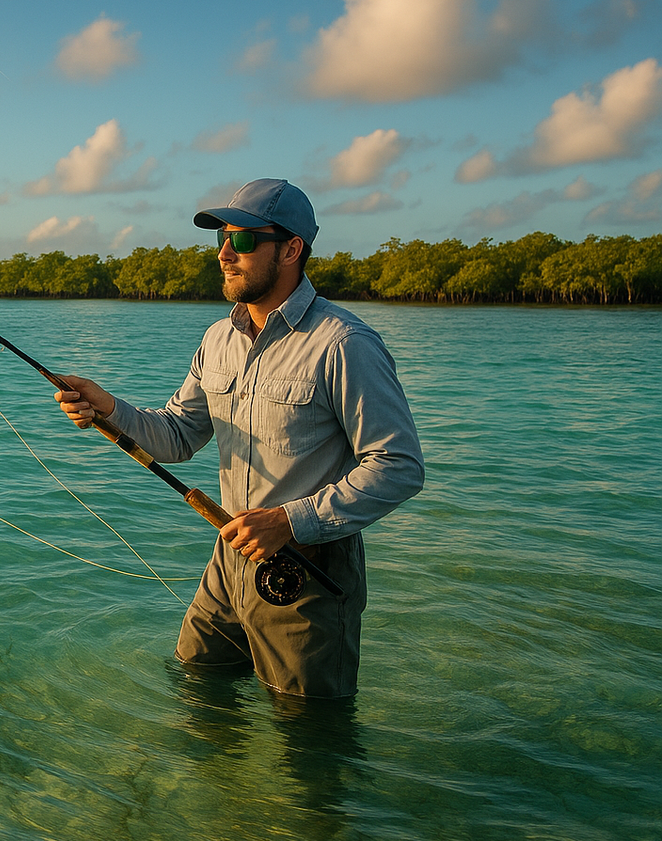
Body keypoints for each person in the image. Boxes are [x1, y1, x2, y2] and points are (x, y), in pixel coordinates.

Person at [55, 178, 423, 698]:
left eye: (244, 240)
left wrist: (289, 521)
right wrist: (107, 407)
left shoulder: (345, 343)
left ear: (291, 249)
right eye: (221, 239)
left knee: (307, 740)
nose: (226, 253)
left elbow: (398, 466)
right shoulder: (217, 339)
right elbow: (176, 436)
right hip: (226, 558)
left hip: (307, 571)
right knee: (194, 686)